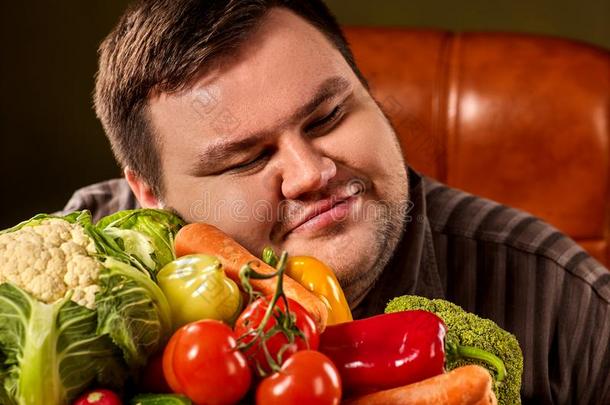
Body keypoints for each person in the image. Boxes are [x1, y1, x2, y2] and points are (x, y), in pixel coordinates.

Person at [63, 1, 610, 403]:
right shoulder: (78, 281)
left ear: (366, 92)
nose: (310, 174)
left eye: (327, 118)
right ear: (150, 195)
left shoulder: (572, 307)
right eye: (245, 159)